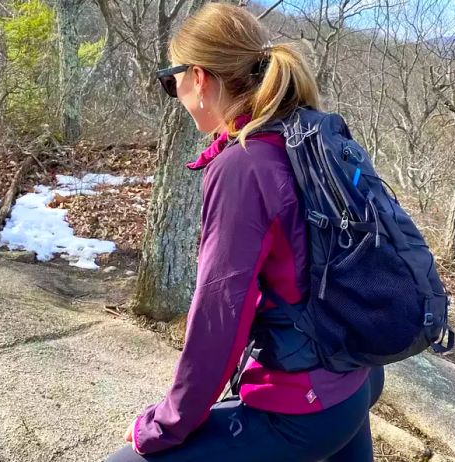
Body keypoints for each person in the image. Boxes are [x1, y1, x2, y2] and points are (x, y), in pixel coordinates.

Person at [106, 3, 384, 461]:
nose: (171, 90)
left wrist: (161, 427)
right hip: (355, 379)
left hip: (303, 408)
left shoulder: (243, 165)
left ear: (197, 77)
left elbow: (219, 317)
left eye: (168, 79)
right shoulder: (309, 136)